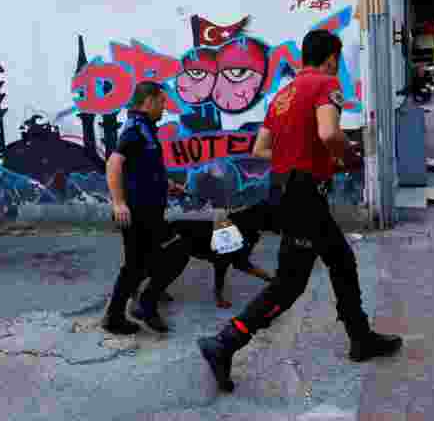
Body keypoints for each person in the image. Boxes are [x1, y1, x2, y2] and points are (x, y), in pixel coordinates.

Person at [197, 29, 403, 393]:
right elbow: (328, 134)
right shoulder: (324, 85)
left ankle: (360, 336)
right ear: (331, 58)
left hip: (285, 191)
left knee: (340, 260)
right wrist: (349, 156)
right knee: (290, 284)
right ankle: (225, 342)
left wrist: (302, 159)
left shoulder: (282, 95)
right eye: (336, 61)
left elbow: (262, 149)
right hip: (304, 196)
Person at [101, 81, 190, 335]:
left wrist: (167, 184)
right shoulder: (136, 130)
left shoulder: (146, 129)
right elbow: (114, 164)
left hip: (148, 208)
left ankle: (125, 310)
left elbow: (142, 167)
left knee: (139, 263)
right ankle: (140, 305)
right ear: (148, 101)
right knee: (175, 252)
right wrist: (118, 203)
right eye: (162, 101)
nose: (165, 106)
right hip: (138, 211)